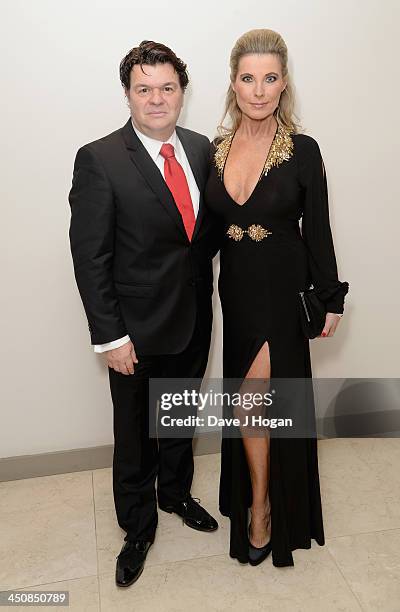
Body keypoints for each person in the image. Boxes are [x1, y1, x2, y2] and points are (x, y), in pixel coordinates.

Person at [68, 40, 220, 588]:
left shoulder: (203, 149)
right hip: (134, 329)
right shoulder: (100, 158)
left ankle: (176, 493)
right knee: (134, 433)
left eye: (168, 88)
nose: (157, 99)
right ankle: (136, 527)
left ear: (182, 91)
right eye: (144, 89)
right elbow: (91, 257)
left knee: (179, 415)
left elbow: (206, 237)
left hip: (194, 317)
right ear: (128, 94)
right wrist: (111, 338)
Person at [204, 28, 349, 567]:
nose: (259, 90)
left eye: (269, 78)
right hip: (237, 290)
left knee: (254, 397)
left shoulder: (303, 150)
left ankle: (262, 508)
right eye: (248, 78)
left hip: (283, 291)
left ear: (283, 83)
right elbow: (203, 234)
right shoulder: (214, 150)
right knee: (254, 400)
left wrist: (330, 297)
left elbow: (320, 231)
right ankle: (256, 498)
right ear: (234, 83)